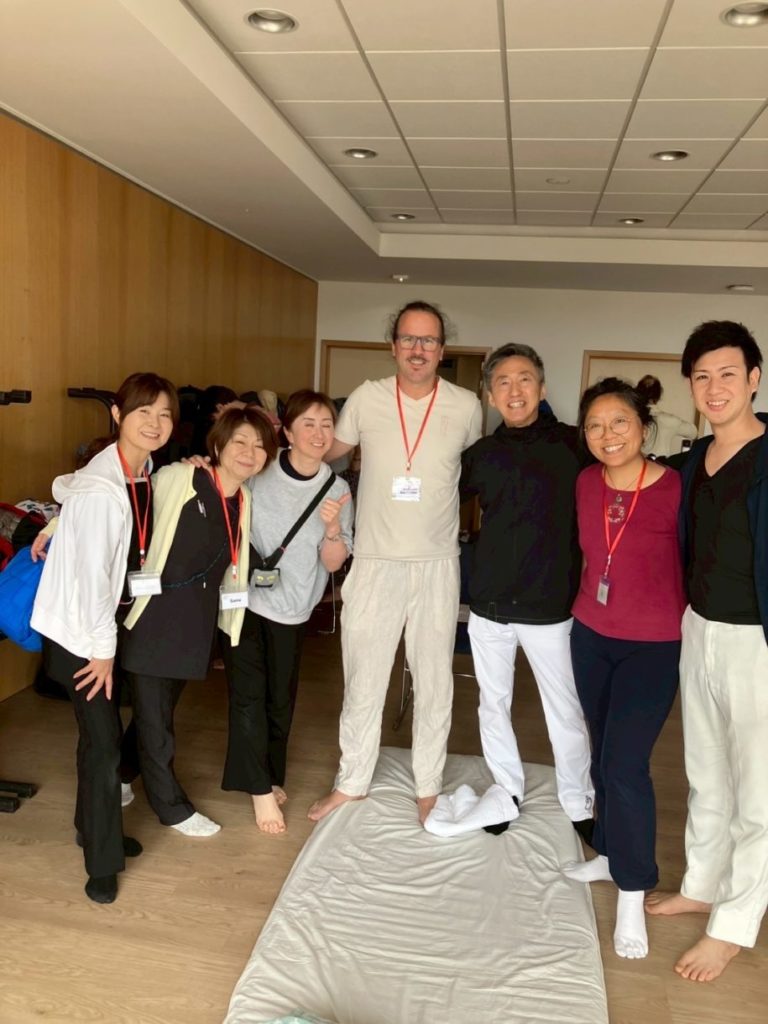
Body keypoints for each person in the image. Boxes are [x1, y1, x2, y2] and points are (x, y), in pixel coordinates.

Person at [308, 300, 483, 826]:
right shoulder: (366, 398)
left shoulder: (466, 406)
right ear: (393, 345)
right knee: (363, 677)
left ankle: (428, 785)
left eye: (428, 340)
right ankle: (352, 781)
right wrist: (254, 452)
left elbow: (476, 472)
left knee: (435, 682)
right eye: (409, 338)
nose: (418, 349)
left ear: (442, 350)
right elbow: (322, 454)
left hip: (437, 563)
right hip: (375, 561)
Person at [645, 320, 768, 982]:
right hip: (700, 628)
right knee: (707, 770)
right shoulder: (694, 462)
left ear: (754, 379)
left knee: (759, 789)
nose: (714, 388)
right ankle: (702, 884)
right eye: (701, 377)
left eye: (728, 374)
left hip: (757, 641)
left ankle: (734, 925)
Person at [30, 373, 178, 904]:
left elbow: (70, 496)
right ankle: (101, 862)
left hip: (103, 625)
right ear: (118, 415)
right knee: (103, 743)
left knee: (99, 739)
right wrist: (103, 652)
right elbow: (93, 579)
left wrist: (53, 525)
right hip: (84, 634)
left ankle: (92, 829)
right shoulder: (102, 488)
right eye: (143, 412)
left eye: (164, 414)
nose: (155, 423)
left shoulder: (141, 471)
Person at [561, 377, 685, 960]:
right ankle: (609, 854)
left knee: (626, 764)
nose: (607, 434)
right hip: (590, 634)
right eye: (594, 425)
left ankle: (634, 888)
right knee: (601, 753)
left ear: (643, 427)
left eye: (619, 422)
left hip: (652, 645)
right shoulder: (585, 482)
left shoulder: (675, 487)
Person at [118, 407, 276, 836]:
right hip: (154, 616)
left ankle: (120, 774)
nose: (249, 452)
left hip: (194, 623)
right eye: (240, 441)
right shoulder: (182, 478)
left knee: (157, 711)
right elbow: (122, 504)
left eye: (259, 445)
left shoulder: (242, 499)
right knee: (158, 724)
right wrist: (55, 525)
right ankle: (172, 808)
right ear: (218, 445)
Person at [460, 343, 593, 835]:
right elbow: (432, 496)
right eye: (503, 382)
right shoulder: (480, 455)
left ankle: (578, 801)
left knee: (565, 711)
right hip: (489, 603)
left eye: (524, 379)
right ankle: (506, 789)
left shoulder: (574, 444)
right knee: (492, 703)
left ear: (541, 387)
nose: (514, 390)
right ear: (490, 395)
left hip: (550, 604)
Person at [219, 390, 353, 834]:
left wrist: (332, 529)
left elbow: (333, 563)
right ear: (288, 432)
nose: (319, 433)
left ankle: (270, 776)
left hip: (292, 608)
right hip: (242, 600)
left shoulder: (337, 490)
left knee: (280, 700)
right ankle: (259, 791)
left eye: (327, 425)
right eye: (308, 424)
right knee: (248, 696)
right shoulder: (260, 470)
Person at [637, 374, 698, 457]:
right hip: (660, 464)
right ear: (658, 395)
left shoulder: (632, 418)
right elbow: (693, 432)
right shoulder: (670, 420)